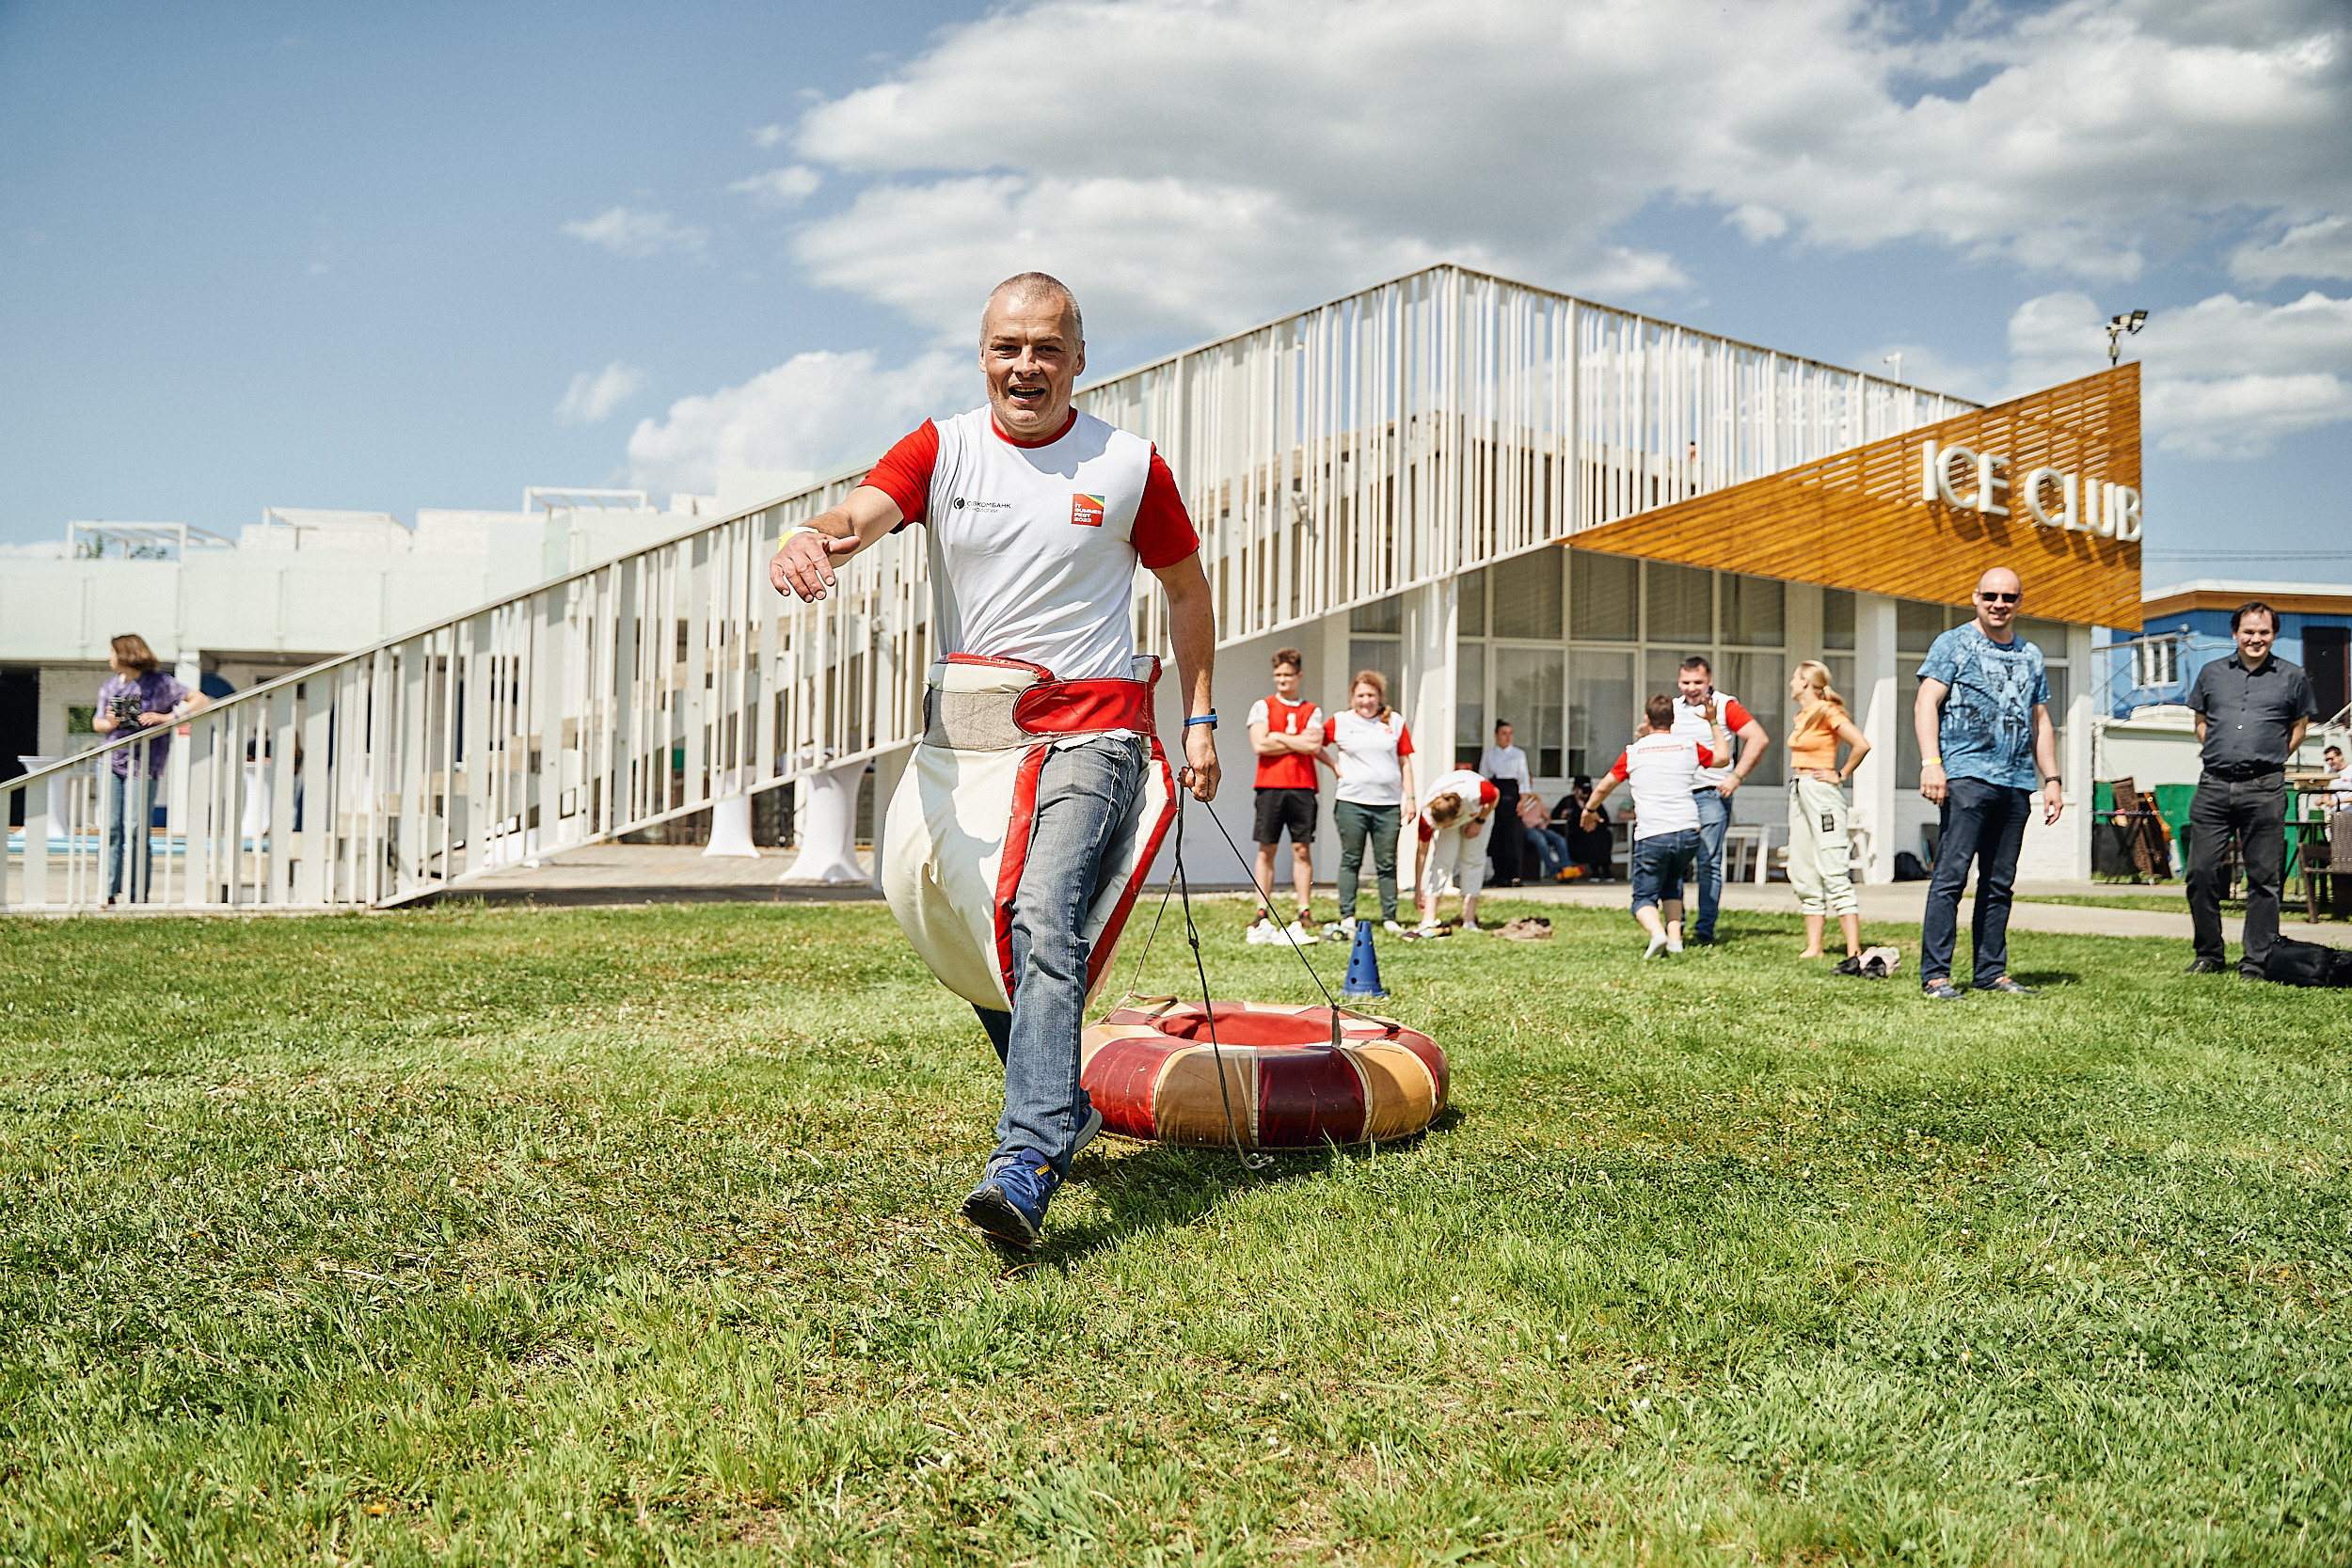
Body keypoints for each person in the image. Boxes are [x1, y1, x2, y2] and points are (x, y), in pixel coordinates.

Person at [769, 272, 1219, 1253]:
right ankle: (1066, 1102)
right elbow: (861, 513)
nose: (1027, 364)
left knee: (1039, 910)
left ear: (1078, 360)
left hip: (1092, 730)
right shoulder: (942, 448)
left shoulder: (1129, 464)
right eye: (1009, 347)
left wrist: (1200, 719)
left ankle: (1027, 1157)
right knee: (959, 923)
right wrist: (814, 537)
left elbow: (1185, 588)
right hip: (969, 739)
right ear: (983, 356)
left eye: (1046, 347)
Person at [1915, 566, 2064, 1001]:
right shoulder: (1954, 643)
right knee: (1950, 877)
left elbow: (2041, 720)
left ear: (2020, 601)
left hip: (2016, 782)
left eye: (2008, 598)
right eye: (1991, 596)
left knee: (1999, 883)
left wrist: (2051, 779)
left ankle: (1990, 972)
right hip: (1965, 777)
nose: (1999, 604)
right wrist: (1931, 763)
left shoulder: (2031, 655)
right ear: (1976, 596)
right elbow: (1926, 701)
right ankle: (1936, 976)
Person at [2182, 600, 2319, 978]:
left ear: (2273, 635)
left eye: (2263, 632)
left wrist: (2268, 757)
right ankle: (2209, 954)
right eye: (2248, 632)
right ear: (2235, 634)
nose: (2255, 638)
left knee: (2264, 877)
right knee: (2201, 872)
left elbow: (2299, 729)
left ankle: (2255, 961)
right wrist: (2221, 754)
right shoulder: (2211, 673)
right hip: (2213, 785)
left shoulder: (2293, 676)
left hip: (2265, 788)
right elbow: (2200, 721)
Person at [1582, 693, 1729, 957]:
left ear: (1647, 719)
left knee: (1643, 898)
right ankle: (1675, 942)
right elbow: (1722, 759)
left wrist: (1590, 809)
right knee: (1672, 884)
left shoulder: (1634, 752)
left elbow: (1605, 786)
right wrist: (1713, 722)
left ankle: (1657, 933)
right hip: (1688, 831)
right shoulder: (1688, 746)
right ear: (1673, 721)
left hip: (1653, 833)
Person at [91, 633, 207, 905]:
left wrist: (168, 717)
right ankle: (107, 891)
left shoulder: (161, 683)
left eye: (112, 652)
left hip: (145, 764)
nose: (108, 658)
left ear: (126, 654)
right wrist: (111, 721)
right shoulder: (110, 686)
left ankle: (137, 895)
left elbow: (200, 700)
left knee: (136, 828)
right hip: (111, 761)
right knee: (111, 828)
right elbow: (97, 723)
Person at [1670, 657, 1769, 945]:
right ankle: (1676, 926)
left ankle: (1705, 931)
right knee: (1675, 861)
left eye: (1697, 683)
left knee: (1708, 861)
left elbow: (1758, 738)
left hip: (1712, 794)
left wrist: (1736, 777)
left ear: (1709, 680)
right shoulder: (1674, 709)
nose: (1691, 689)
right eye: (1685, 683)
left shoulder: (1725, 706)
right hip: (1678, 795)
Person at [1785, 659, 1870, 963]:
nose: (1792, 682)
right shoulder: (1803, 715)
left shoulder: (1828, 712)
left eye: (1795, 677)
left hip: (1822, 792)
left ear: (1806, 681)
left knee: (1833, 867)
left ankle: (1853, 950)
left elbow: (1860, 744)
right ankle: (1814, 946)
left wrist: (1841, 773)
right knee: (1803, 866)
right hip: (1800, 786)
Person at [1319, 671, 1416, 935]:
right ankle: (1347, 915)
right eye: (1361, 695)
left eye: (1371, 695)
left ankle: (1389, 917)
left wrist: (1410, 798)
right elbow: (1315, 744)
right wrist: (1334, 766)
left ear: (1380, 696)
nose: (1366, 701)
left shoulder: (1394, 722)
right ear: (1353, 697)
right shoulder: (1341, 721)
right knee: (1351, 859)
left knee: (1387, 862)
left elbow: (1405, 762)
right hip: (1351, 802)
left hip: (1387, 805)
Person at [1245, 647, 1323, 945]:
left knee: (1302, 850)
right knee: (1267, 849)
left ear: (1298, 676)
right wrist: (1295, 742)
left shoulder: (1311, 710)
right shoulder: (1262, 707)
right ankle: (1262, 910)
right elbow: (1260, 746)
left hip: (1303, 786)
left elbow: (1313, 747)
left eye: (1288, 675)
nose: (1282, 680)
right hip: (1270, 786)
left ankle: (1304, 910)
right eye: (1277, 675)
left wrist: (1278, 737)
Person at [1413, 765, 1499, 934]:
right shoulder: (1428, 815)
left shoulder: (1476, 792)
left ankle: (1469, 920)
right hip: (1452, 811)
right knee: (1442, 860)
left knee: (1473, 859)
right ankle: (1428, 919)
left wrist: (1479, 821)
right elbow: (1422, 853)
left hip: (1478, 810)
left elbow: (1495, 795)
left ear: (1455, 818)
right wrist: (1417, 890)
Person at [1479, 720, 1532, 887]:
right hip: (1495, 794)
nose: (1508, 737)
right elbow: (1484, 777)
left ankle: (1514, 874)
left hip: (1512, 794)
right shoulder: (1489, 754)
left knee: (1513, 836)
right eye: (1504, 733)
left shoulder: (1518, 754)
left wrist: (1523, 800)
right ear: (1496, 736)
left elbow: (1523, 778)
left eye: (1510, 733)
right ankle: (1498, 874)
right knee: (1496, 835)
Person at [1559, 777, 1615, 879]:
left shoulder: (1593, 802)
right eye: (1582, 790)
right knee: (1590, 838)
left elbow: (1605, 820)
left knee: (1604, 835)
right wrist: (1563, 815)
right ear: (1575, 788)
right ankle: (1595, 871)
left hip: (1595, 833)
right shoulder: (1568, 802)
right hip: (1576, 837)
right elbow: (1556, 819)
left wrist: (1595, 824)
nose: (1585, 794)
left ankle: (1606, 869)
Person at [1519, 791, 1572, 880]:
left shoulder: (1536, 801)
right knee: (1541, 841)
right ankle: (1554, 872)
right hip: (1527, 829)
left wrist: (1545, 823)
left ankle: (1566, 868)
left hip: (1539, 827)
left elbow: (1547, 818)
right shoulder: (1519, 802)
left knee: (1560, 839)